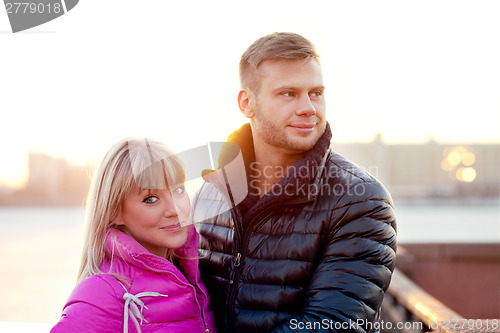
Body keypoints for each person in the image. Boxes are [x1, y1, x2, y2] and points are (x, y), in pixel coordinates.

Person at [191, 32, 397, 332]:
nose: (308, 108)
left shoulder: (361, 199)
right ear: (247, 103)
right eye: (288, 93)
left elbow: (334, 325)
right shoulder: (210, 192)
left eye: (316, 93)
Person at [51, 138, 216, 333]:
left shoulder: (191, 272)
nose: (174, 209)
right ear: (115, 212)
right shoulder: (104, 293)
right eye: (151, 199)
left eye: (178, 190)